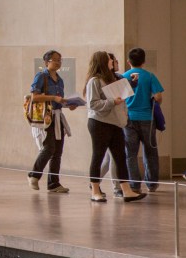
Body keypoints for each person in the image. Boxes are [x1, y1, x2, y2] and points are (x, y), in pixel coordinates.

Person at [84, 51, 146, 202]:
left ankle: (126, 190)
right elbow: (92, 104)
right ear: (103, 62)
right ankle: (95, 190)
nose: (112, 61)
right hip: (99, 123)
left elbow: (123, 92)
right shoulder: (94, 81)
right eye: (110, 60)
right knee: (98, 155)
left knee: (120, 157)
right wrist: (113, 101)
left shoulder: (113, 78)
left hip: (116, 122)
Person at [27, 50, 77, 193]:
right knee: (49, 148)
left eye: (60, 60)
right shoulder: (41, 76)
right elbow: (34, 97)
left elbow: (59, 100)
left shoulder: (60, 79)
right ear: (46, 62)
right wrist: (53, 98)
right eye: (55, 59)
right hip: (46, 117)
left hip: (58, 116)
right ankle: (34, 175)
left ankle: (53, 183)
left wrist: (68, 105)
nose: (58, 62)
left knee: (58, 151)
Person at [123, 47, 165, 193]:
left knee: (131, 154)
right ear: (144, 61)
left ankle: (134, 185)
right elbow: (159, 97)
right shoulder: (149, 76)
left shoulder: (124, 77)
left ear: (128, 61)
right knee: (151, 151)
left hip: (128, 119)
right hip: (147, 118)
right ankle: (152, 184)